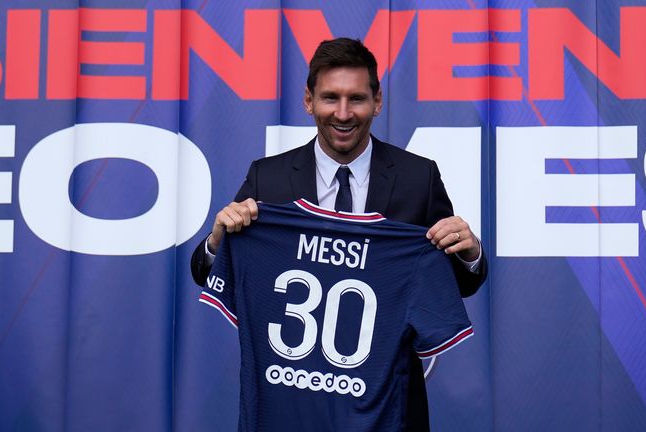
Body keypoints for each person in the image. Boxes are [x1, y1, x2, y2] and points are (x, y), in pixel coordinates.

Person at [191, 37, 488, 431]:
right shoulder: (269, 178)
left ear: (377, 102)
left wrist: (469, 254)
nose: (344, 113)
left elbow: (456, 283)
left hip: (388, 405)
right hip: (292, 405)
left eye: (357, 99)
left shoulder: (419, 177)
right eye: (330, 98)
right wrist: (217, 241)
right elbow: (209, 272)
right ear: (308, 101)